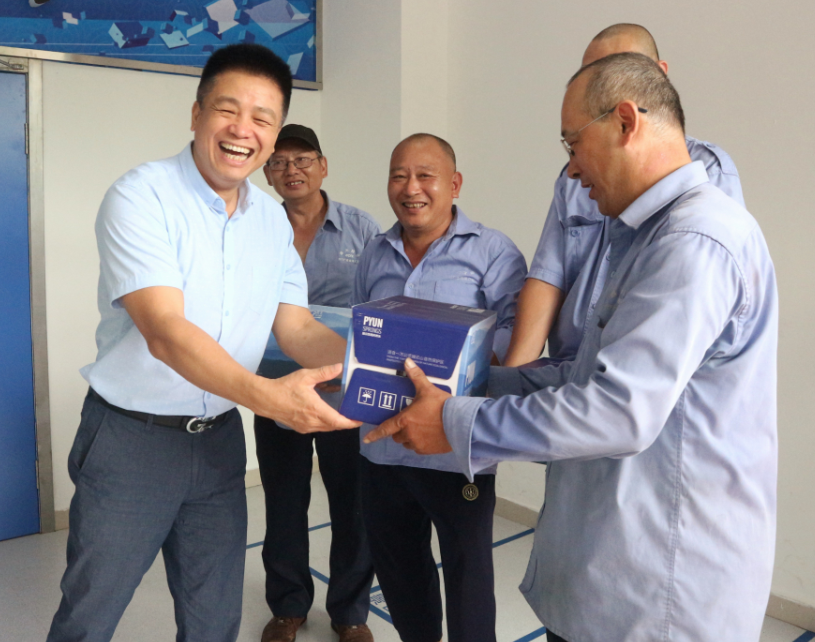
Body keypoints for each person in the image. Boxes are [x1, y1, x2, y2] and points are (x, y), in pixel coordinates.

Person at [367, 54, 777, 642]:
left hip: (660, 592)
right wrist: (466, 385)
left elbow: (617, 410)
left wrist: (456, 421)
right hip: (613, 569)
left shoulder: (693, 241)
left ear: (626, 122)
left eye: (572, 143)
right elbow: (584, 374)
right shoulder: (643, 237)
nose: (571, 170)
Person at [47, 44, 360, 642]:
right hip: (131, 442)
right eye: (227, 109)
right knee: (90, 614)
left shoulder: (270, 222)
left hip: (218, 444)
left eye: (262, 118)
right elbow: (166, 332)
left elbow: (297, 328)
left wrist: (377, 377)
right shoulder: (141, 196)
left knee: (214, 618)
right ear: (196, 115)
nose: (243, 129)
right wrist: (270, 398)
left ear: (273, 135)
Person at [354, 133, 527, 642]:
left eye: (425, 176)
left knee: (469, 582)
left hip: (456, 450)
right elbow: (359, 330)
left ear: (454, 184)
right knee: (401, 576)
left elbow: (515, 336)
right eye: (399, 176)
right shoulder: (374, 252)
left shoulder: (493, 251)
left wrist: (463, 358)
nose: (411, 188)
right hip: (383, 448)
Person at [504, 23, 745, 367]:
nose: (603, 84)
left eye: (619, 71)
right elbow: (547, 278)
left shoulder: (705, 184)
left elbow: (685, 315)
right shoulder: (574, 175)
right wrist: (507, 381)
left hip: (631, 365)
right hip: (571, 367)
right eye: (593, 73)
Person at [255, 124, 380, 642]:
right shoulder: (255, 227)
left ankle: (350, 612)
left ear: (323, 166)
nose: (292, 170)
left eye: (303, 159)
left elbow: (379, 305)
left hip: (342, 391)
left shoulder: (361, 229)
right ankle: (288, 606)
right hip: (275, 386)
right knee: (283, 499)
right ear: (267, 173)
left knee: (352, 502)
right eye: (280, 162)